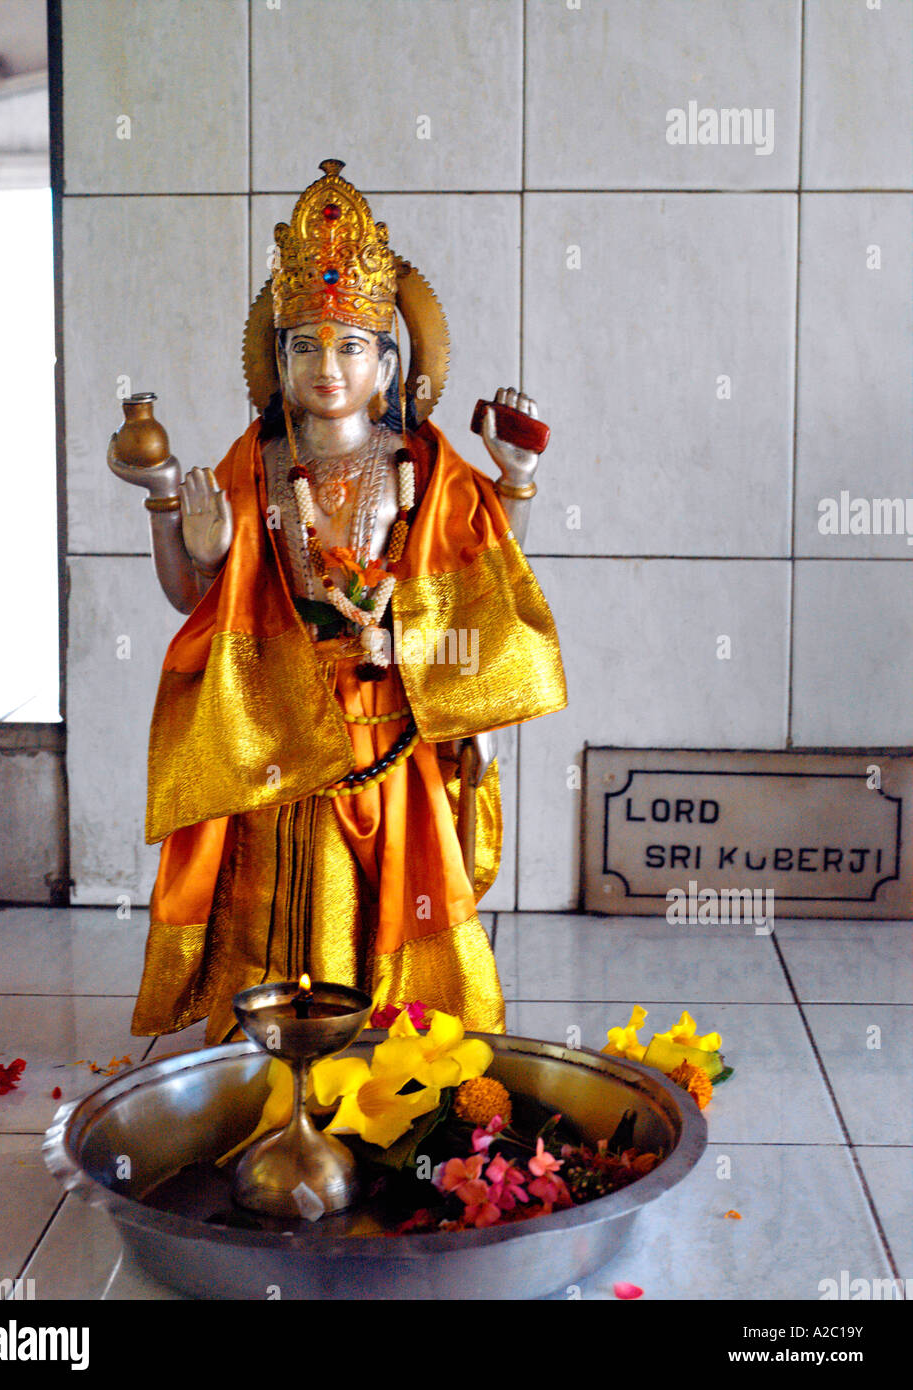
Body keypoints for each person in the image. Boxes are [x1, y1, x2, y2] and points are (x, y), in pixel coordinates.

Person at [107, 160, 566, 1043]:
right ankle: (281, 1056)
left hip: (393, 728)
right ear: (276, 361)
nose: (328, 366)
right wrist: (170, 512)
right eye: (306, 345)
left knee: (401, 897)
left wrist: (515, 483)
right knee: (292, 898)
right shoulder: (253, 467)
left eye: (351, 345)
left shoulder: (426, 469)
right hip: (286, 729)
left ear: (388, 361)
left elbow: (478, 583)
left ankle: (405, 1061)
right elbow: (197, 605)